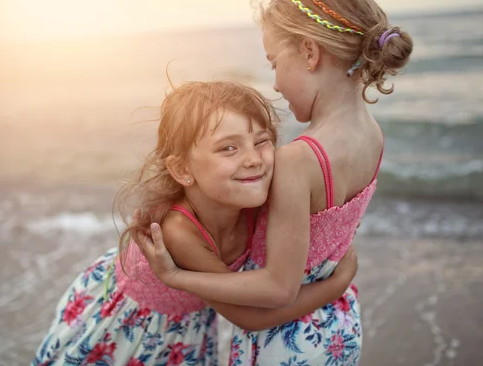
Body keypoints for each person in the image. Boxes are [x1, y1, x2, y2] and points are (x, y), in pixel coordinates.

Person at [132, 0, 413, 365]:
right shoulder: (373, 134)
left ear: (309, 52)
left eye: (274, 62)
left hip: (285, 340)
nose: (276, 84)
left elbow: (278, 288)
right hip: (337, 328)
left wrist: (175, 277)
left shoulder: (299, 159)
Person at [31, 81, 357, 366]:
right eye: (228, 148)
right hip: (131, 329)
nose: (254, 159)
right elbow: (249, 317)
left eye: (261, 141)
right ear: (183, 170)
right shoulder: (177, 231)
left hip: (191, 326)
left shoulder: (252, 197)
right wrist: (336, 285)